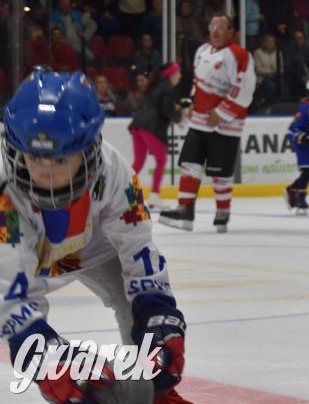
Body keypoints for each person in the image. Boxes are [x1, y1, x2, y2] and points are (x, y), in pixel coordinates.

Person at [0, 70, 189, 404]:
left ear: (88, 151)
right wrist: (47, 361)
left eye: (59, 159)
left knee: (134, 304)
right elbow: (10, 293)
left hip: (87, 246)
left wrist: (158, 313)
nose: (45, 172)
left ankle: (153, 389)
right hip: (17, 252)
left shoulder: (114, 171)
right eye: (34, 157)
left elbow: (138, 247)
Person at [159, 13, 256, 233]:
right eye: (212, 26)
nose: (215, 30)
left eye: (221, 26)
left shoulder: (240, 55)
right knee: (189, 164)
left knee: (220, 172)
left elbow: (245, 89)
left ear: (232, 30)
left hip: (226, 124)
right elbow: (197, 81)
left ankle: (222, 212)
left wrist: (222, 112)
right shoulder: (202, 51)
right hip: (200, 120)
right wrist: (194, 101)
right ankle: (185, 209)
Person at [129, 63, 187, 209]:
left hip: (138, 126)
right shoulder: (168, 87)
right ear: (172, 74)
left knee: (138, 163)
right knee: (161, 160)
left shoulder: (155, 86)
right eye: (178, 73)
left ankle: (122, 193)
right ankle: (154, 195)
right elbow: (166, 110)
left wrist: (176, 116)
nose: (180, 76)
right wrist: (179, 116)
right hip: (151, 127)